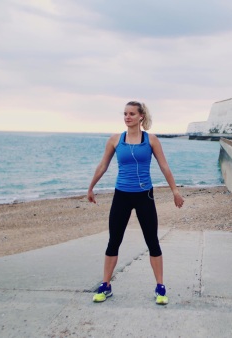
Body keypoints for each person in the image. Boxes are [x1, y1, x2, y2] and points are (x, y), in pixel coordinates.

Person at [87, 101, 184, 305]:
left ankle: (160, 287)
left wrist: (175, 191)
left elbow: (164, 166)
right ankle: (106, 285)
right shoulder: (115, 140)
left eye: (131, 113)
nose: (127, 117)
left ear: (141, 116)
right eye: (125, 113)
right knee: (114, 241)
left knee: (152, 242)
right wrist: (91, 187)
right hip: (121, 195)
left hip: (144, 196)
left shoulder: (151, 140)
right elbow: (103, 165)